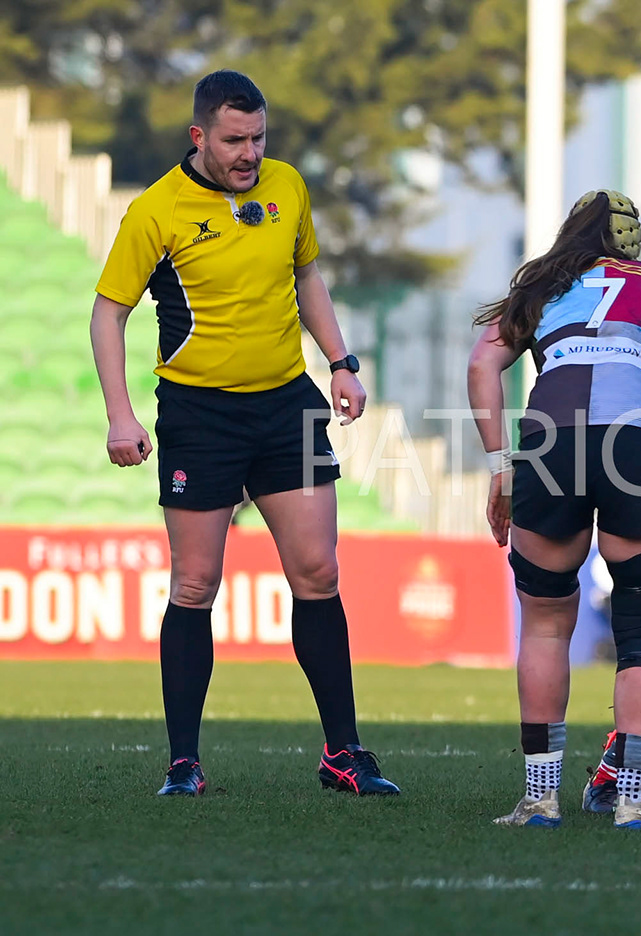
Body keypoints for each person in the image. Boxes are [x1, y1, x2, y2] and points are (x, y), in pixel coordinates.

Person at [89, 69, 396, 797]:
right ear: (199, 136)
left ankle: (343, 753)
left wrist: (341, 363)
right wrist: (120, 414)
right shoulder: (156, 211)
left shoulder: (287, 186)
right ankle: (183, 763)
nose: (249, 153)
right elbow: (108, 314)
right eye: (234, 140)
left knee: (318, 573)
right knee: (195, 584)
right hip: (200, 413)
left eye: (258, 137)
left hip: (285, 404)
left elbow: (307, 275)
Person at [468, 189, 641, 830]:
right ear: (629, 239)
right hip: (636, 446)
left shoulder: (540, 283)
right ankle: (635, 800)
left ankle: (540, 798)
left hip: (549, 445)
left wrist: (501, 468)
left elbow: (483, 364)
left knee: (546, 627)